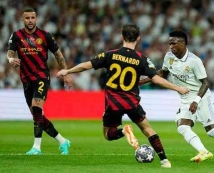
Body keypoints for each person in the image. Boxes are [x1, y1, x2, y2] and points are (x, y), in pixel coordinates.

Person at [57, 24, 190, 168]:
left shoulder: (110, 54)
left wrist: (68, 71)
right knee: (147, 129)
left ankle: (124, 131)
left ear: (122, 37)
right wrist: (178, 88)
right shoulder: (142, 59)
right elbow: (156, 79)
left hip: (113, 103)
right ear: (138, 38)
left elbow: (87, 65)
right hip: (132, 102)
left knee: (108, 135)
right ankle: (165, 161)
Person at [139, 30, 214, 162]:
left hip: (201, 96)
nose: (170, 47)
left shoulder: (194, 61)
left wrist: (196, 101)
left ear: (183, 44)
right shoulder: (168, 57)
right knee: (182, 126)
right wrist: (144, 80)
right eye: (169, 44)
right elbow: (162, 73)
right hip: (184, 97)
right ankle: (203, 151)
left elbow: (206, 83)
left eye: (173, 44)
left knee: (212, 132)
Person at [7, 7, 72, 155]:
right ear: (22, 19)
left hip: (41, 76)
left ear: (36, 19)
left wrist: (66, 73)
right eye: (27, 18)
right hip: (26, 79)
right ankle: (63, 141)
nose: (30, 20)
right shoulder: (16, 35)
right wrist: (11, 59)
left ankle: (37, 147)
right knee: (38, 116)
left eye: (32, 18)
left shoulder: (45, 35)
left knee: (37, 108)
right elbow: (10, 51)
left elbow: (58, 54)